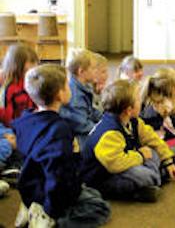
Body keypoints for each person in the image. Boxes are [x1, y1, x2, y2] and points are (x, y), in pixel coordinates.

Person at [12, 64, 110, 228]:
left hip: (30, 186)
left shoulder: (25, 118)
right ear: (59, 94)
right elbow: (58, 176)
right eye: (67, 84)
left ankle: (32, 206)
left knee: (92, 193)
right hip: (51, 193)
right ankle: (47, 219)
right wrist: (52, 209)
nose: (70, 87)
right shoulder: (59, 130)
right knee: (100, 208)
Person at [81, 79, 175, 202]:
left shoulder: (134, 121)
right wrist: (140, 155)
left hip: (125, 162)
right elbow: (116, 164)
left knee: (153, 153)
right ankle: (148, 183)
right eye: (138, 100)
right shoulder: (109, 133)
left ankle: (153, 179)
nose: (141, 102)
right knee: (145, 175)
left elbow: (153, 139)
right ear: (129, 110)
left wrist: (167, 160)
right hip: (103, 177)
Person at [0, 43, 38, 184]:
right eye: (31, 63)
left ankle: (16, 167)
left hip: (26, 123)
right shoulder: (9, 87)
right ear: (17, 65)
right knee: (14, 143)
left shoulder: (31, 82)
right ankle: (13, 167)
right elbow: (8, 115)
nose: (35, 66)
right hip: (12, 125)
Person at [60, 48, 102, 151]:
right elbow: (81, 124)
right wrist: (101, 129)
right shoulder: (75, 95)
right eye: (92, 68)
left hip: (86, 126)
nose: (95, 71)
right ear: (81, 71)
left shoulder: (85, 86)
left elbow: (92, 110)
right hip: (79, 137)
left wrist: (104, 118)